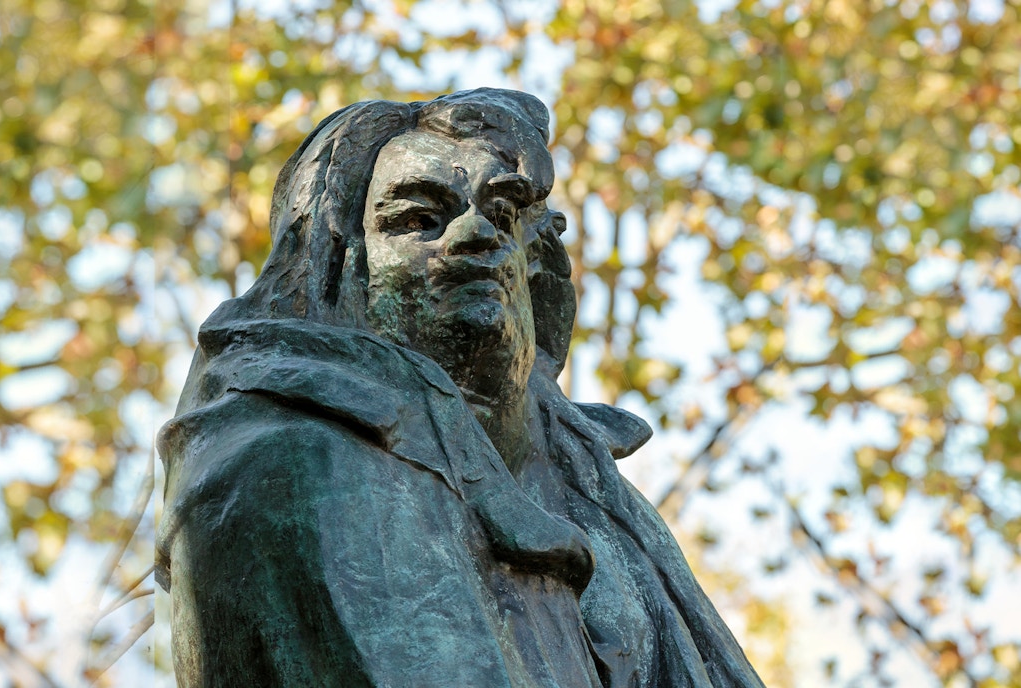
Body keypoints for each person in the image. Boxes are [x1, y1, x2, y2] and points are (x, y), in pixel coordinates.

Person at [156, 88, 765, 688]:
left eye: (500, 214)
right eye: (419, 220)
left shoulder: (600, 499)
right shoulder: (282, 468)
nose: (477, 234)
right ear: (341, 268)